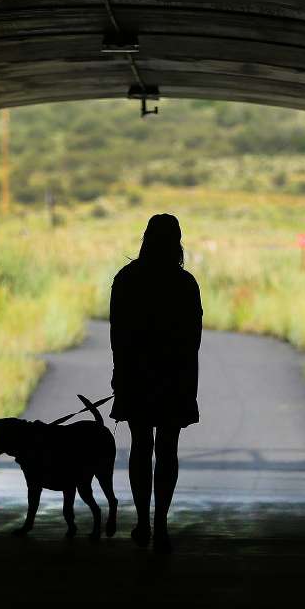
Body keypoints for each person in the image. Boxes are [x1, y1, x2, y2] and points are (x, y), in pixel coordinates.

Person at [109, 214, 203, 553]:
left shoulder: (126, 279)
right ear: (177, 243)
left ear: (146, 239)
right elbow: (193, 339)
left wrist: (121, 372)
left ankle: (143, 522)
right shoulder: (185, 284)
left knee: (140, 446)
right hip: (174, 377)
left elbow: (118, 334)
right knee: (167, 449)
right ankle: (160, 522)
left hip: (136, 375)